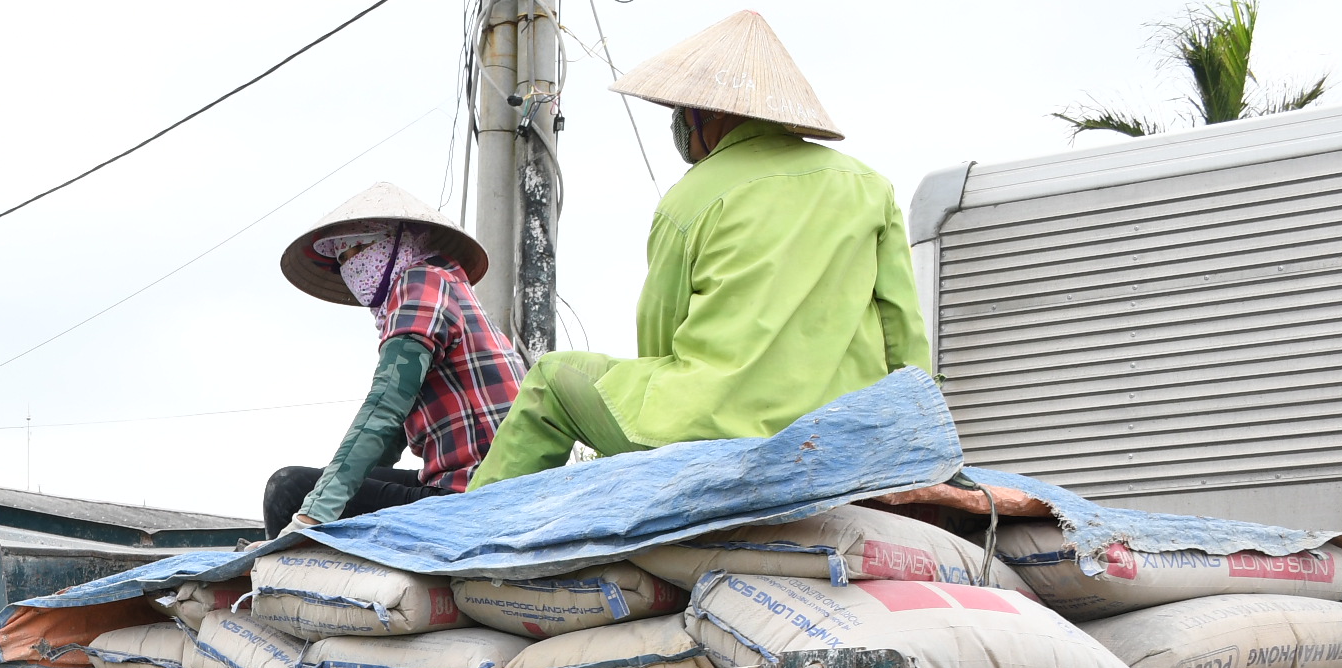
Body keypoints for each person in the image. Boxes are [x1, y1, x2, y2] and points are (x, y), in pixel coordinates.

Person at [469, 9, 929, 488]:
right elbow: (905, 337)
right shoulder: (871, 188)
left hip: (713, 425)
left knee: (548, 380)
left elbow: (660, 337)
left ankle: (467, 529)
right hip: (844, 433)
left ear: (710, 114)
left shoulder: (690, 199)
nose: (680, 125)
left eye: (683, 112)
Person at [263, 183, 520, 537]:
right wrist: (350, 488)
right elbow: (388, 436)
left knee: (289, 489)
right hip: (481, 486)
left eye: (358, 249)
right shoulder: (449, 286)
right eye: (341, 260)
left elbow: (384, 407)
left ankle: (285, 582)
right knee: (335, 484)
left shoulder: (420, 283)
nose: (350, 266)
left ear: (399, 242)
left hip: (470, 496)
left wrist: (315, 513)